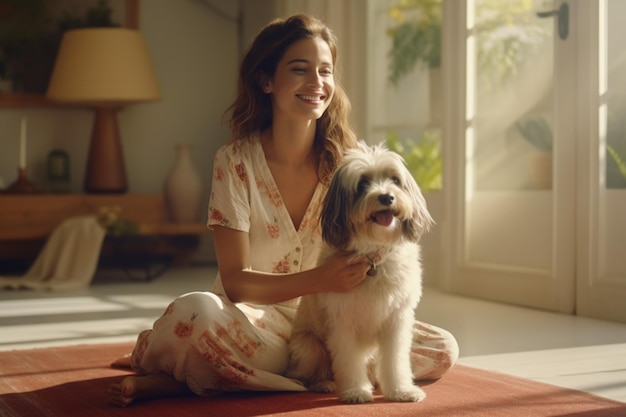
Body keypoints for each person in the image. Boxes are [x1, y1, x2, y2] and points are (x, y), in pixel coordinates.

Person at [107, 13, 459, 407]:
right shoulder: (235, 161)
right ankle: (209, 370)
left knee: (442, 348)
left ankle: (201, 376)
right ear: (266, 80)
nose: (317, 83)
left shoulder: (349, 166)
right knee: (196, 314)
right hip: (253, 321)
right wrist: (322, 278)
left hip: (334, 319)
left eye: (325, 71)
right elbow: (236, 283)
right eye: (300, 69)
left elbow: (386, 239)